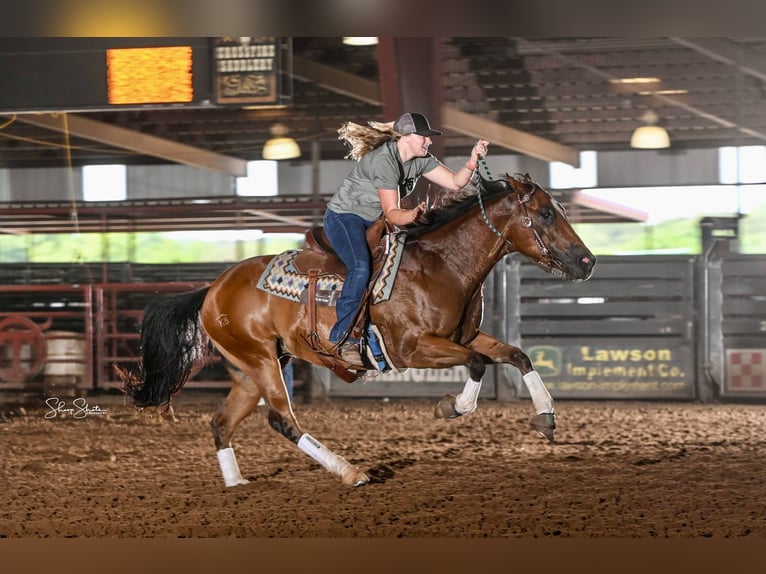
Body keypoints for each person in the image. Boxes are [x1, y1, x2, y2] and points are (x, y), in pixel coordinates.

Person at [323, 111, 490, 364]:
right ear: (407, 138)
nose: (429, 142)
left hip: (375, 221)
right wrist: (411, 214)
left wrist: (472, 161)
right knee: (360, 268)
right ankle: (343, 337)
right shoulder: (384, 162)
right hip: (346, 217)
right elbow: (392, 213)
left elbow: (456, 183)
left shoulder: (421, 159)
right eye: (424, 137)